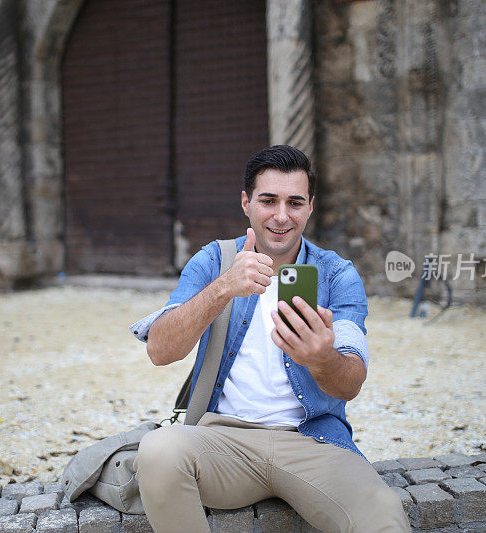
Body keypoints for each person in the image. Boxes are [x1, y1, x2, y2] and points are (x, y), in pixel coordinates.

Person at [129, 145, 410, 532]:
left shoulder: (336, 275)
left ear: (311, 206)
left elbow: (350, 383)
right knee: (159, 450)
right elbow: (160, 351)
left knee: (383, 514)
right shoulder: (214, 261)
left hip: (312, 443)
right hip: (223, 441)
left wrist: (323, 358)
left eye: (295, 202)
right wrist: (224, 287)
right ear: (246, 203)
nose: (281, 216)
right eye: (268, 200)